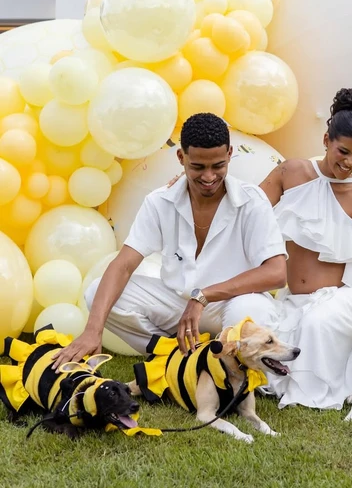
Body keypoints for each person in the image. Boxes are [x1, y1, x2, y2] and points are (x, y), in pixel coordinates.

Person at [52, 113, 286, 369]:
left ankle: (226, 364)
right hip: (179, 306)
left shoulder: (252, 201)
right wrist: (92, 331)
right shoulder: (160, 201)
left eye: (217, 165)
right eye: (198, 167)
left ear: (230, 154)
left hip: (233, 303)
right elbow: (124, 265)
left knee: (251, 314)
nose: (209, 177)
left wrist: (203, 297)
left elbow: (276, 273)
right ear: (181, 157)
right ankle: (175, 356)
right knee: (96, 293)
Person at [260, 88, 352, 410]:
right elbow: (249, 211)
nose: (349, 162)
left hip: (344, 296)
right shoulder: (291, 172)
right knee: (269, 326)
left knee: (317, 323)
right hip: (293, 297)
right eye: (343, 151)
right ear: (326, 140)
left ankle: (309, 397)